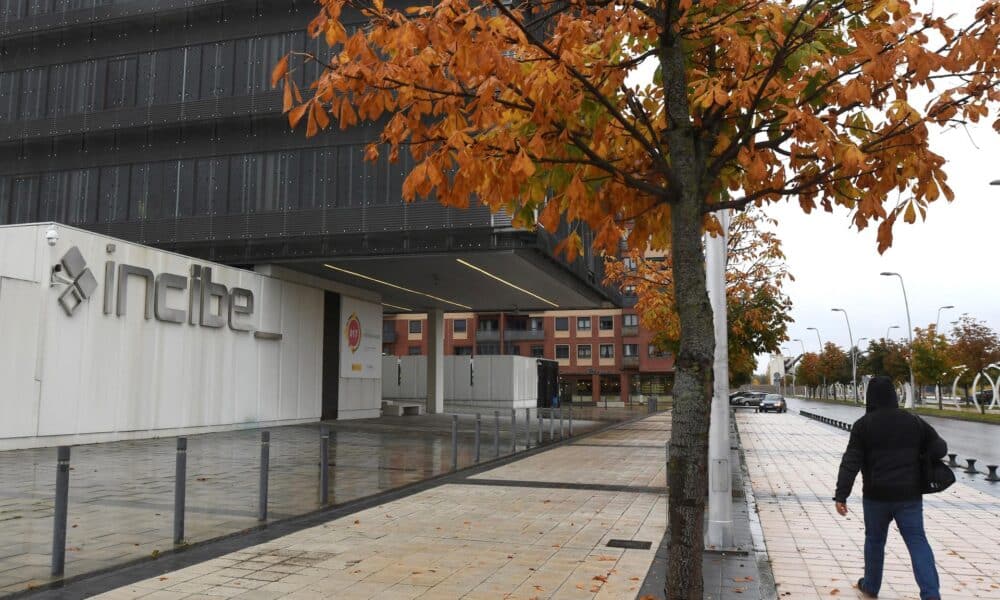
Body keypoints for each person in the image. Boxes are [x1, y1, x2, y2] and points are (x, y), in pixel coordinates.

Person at [833, 375, 947, 600]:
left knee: (874, 541)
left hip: (876, 496)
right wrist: (920, 454)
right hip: (909, 495)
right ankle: (931, 594)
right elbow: (940, 448)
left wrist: (841, 495)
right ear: (894, 396)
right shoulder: (914, 421)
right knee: (917, 542)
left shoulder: (863, 425)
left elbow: (851, 461)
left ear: (870, 398)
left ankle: (871, 586)